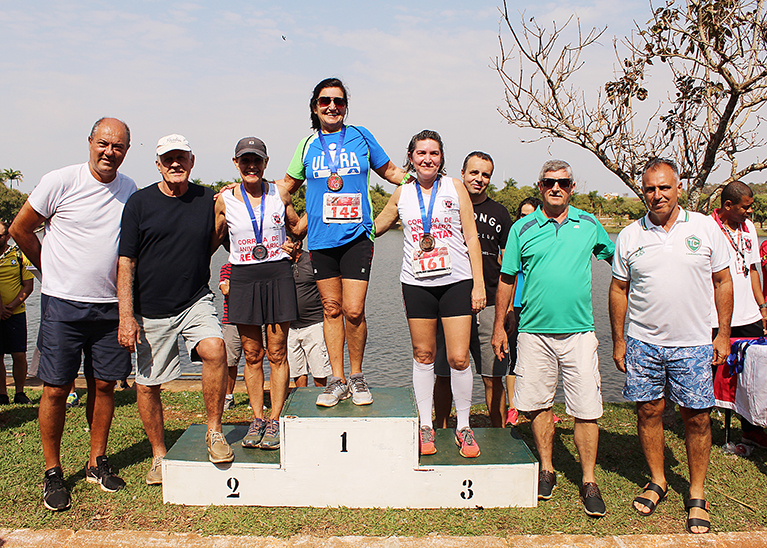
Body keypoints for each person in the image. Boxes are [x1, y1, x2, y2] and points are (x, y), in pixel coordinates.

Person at [10, 117, 136, 511]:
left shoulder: (129, 189)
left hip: (109, 305)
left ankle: (96, 460)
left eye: (117, 146)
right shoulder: (59, 181)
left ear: (126, 151)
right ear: (90, 142)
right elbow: (20, 228)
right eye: (103, 143)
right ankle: (53, 472)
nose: (109, 152)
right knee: (56, 388)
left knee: (104, 386)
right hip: (63, 303)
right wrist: (49, 268)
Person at [609, 158, 732, 534]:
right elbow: (618, 289)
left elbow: (723, 282)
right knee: (648, 411)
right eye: (650, 188)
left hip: (693, 343)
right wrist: (618, 341)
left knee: (696, 417)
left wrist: (722, 334)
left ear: (678, 188)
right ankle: (658, 480)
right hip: (643, 342)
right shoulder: (630, 235)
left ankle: (696, 492)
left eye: (664, 187)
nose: (657, 195)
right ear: (642, 192)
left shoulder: (706, 228)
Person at [492, 159, 614, 518]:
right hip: (533, 333)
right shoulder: (523, 228)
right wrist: (500, 325)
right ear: (540, 186)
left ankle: (589, 480)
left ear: (572, 187)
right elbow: (506, 278)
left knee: (587, 409)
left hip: (579, 331)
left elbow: (617, 262)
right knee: (537, 403)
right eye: (548, 183)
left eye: (562, 182)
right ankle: (547, 468)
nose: (555, 188)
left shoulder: (589, 225)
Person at [280, 77, 407, 407]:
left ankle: (357, 375)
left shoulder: (361, 137)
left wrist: (427, 177)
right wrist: (240, 194)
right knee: (331, 309)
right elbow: (286, 187)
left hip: (357, 238)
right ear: (315, 107)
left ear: (346, 106)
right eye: (325, 101)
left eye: (338, 101)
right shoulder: (307, 146)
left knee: (353, 311)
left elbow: (392, 171)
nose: (331, 106)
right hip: (322, 240)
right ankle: (336, 380)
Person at [118, 134, 234, 487]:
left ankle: (214, 431)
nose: (175, 164)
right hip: (150, 309)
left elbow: (220, 234)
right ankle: (158, 454)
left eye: (181, 157)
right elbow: (126, 261)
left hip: (195, 299)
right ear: (157, 164)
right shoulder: (139, 203)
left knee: (216, 349)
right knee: (148, 384)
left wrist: (237, 192)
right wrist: (126, 315)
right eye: (168, 158)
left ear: (192, 160)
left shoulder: (207, 199)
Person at [375, 130, 486, 458]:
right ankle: (426, 424)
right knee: (423, 355)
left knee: (458, 358)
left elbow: (472, 238)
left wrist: (478, 284)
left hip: (456, 282)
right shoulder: (402, 192)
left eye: (434, 153)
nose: (427, 159)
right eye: (421, 153)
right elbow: (377, 224)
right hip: (417, 283)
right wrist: (342, 226)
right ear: (410, 157)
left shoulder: (455, 187)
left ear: (441, 157)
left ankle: (463, 426)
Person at [214, 136, 303, 450]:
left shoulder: (279, 192)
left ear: (265, 163)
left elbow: (297, 228)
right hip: (243, 277)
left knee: (277, 354)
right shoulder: (224, 200)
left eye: (257, 160)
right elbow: (212, 240)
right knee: (252, 355)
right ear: (236, 164)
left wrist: (323, 204)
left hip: (277, 274)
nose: (251, 166)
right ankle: (257, 418)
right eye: (245, 160)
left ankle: (275, 419)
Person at [433, 151, 512, 429]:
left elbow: (509, 264)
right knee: (443, 373)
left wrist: (508, 308)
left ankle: (499, 435)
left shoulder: (500, 213)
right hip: (448, 301)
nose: (479, 179)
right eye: (474, 173)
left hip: (488, 304)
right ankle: (440, 431)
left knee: (493, 376)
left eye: (485, 174)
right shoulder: (445, 206)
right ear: (463, 173)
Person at [711, 181, 767, 447]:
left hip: (749, 315)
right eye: (745, 207)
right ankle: (704, 426)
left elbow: (754, 268)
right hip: (716, 315)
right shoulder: (709, 227)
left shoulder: (749, 228)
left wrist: (762, 306)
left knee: (752, 375)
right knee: (712, 371)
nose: (749, 212)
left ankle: (751, 429)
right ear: (728, 205)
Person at [505, 196, 543, 426]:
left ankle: (539, 408)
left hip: (538, 307)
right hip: (518, 307)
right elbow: (507, 278)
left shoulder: (544, 241)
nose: (526, 220)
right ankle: (513, 407)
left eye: (531, 215)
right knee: (514, 357)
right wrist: (508, 307)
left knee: (540, 360)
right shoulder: (515, 239)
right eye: (522, 215)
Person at [286, 235, 331, 388]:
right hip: (290, 326)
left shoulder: (312, 260)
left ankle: (320, 397)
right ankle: (301, 401)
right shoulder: (280, 263)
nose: (282, 244)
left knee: (319, 369)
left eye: (286, 240)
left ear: (297, 244)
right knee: (297, 370)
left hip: (314, 323)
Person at [0, 220, 34, 405]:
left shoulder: (19, 254)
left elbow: (28, 286)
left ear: (8, 236)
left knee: (19, 355)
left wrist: (10, 307)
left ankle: (20, 392)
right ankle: (2, 393)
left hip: (16, 313)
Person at [218, 262, 241, 411]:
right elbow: (225, 290)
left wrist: (235, 285)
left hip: (254, 320)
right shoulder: (226, 268)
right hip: (231, 320)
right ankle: (228, 397)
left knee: (256, 359)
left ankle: (255, 399)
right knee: (230, 362)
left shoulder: (253, 266)